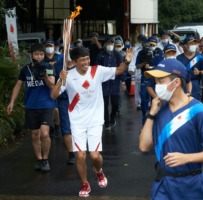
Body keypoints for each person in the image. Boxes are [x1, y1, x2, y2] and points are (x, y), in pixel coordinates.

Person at [51, 46, 133, 197]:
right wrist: (60, 81)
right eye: (82, 60)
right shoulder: (67, 75)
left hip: (95, 119)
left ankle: (98, 171)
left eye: (87, 58)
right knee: (80, 155)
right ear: (75, 61)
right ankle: (85, 183)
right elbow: (54, 95)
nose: (86, 62)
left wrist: (127, 60)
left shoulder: (98, 71)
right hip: (77, 121)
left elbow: (119, 71)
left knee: (95, 156)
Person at [139, 59, 203, 200]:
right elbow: (143, 146)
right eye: (156, 82)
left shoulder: (198, 111)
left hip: (192, 185)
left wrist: (187, 158)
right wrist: (151, 113)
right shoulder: (159, 109)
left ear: (176, 82)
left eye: (161, 81)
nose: (156, 86)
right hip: (163, 184)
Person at [7, 43, 56, 172]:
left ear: (44, 55)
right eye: (36, 54)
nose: (39, 56)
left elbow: (52, 85)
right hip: (31, 106)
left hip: (46, 105)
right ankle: (39, 160)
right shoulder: (25, 69)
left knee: (45, 134)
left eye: (41, 54)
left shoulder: (49, 67)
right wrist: (12, 101)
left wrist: (44, 74)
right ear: (31, 55)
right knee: (35, 135)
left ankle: (45, 159)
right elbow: (18, 85)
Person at [96, 37, 125, 130]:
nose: (110, 45)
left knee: (115, 103)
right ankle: (107, 122)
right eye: (108, 44)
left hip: (114, 83)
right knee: (104, 104)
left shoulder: (117, 55)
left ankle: (112, 117)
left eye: (111, 44)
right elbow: (96, 70)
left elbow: (122, 68)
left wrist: (123, 81)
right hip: (104, 83)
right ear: (104, 45)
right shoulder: (100, 55)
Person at [136, 36, 164, 124]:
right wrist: (144, 63)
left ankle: (155, 117)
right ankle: (145, 116)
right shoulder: (141, 52)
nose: (152, 46)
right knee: (144, 98)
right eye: (150, 44)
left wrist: (153, 67)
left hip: (156, 78)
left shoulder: (159, 52)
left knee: (155, 97)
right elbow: (137, 66)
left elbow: (162, 65)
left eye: (153, 44)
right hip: (145, 76)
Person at [177, 36, 203, 100]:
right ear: (185, 46)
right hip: (182, 83)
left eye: (194, 44)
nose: (193, 45)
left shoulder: (200, 57)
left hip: (195, 83)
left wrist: (199, 72)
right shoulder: (179, 58)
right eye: (190, 43)